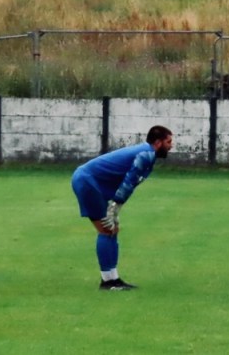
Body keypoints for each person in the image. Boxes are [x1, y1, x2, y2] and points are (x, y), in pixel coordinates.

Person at [71, 124, 173, 291]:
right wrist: (115, 207)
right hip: (87, 181)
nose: (171, 145)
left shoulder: (147, 153)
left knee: (113, 229)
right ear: (158, 142)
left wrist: (116, 208)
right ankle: (107, 282)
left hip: (91, 182)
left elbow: (129, 183)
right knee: (105, 229)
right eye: (169, 141)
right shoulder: (145, 154)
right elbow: (129, 181)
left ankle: (114, 278)